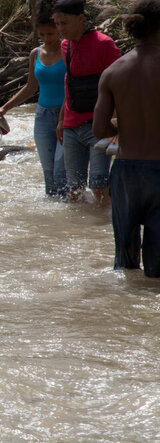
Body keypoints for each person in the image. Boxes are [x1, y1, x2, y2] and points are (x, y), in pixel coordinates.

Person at [93, 0, 160, 277]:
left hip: (125, 173)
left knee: (125, 263)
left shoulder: (113, 71)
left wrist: (125, 124)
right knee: (157, 268)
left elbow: (99, 130)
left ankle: (124, 304)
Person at [0, 0, 67, 198]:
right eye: (41, 35)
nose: (46, 38)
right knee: (48, 169)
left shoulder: (68, 51)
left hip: (66, 115)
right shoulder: (35, 54)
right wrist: (5, 108)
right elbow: (30, 87)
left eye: (50, 34)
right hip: (42, 117)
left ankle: (70, 207)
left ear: (58, 30)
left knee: (61, 167)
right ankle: (55, 214)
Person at [53, 0, 121, 203]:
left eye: (64, 23)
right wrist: (61, 121)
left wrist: (115, 123)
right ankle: (79, 233)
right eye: (56, 23)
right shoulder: (65, 46)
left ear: (80, 18)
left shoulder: (104, 44)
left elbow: (120, 85)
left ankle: (101, 228)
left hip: (99, 127)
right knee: (74, 189)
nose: (60, 28)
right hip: (72, 127)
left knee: (100, 186)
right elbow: (69, 85)